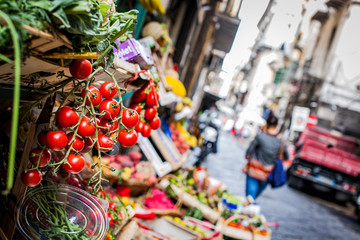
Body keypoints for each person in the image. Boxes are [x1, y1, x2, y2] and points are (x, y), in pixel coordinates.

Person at [244, 115, 289, 200]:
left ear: (267, 124)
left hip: (253, 171)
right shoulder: (281, 141)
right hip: (267, 174)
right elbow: (286, 157)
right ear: (277, 126)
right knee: (253, 199)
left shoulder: (260, 136)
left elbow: (248, 153)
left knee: (250, 198)